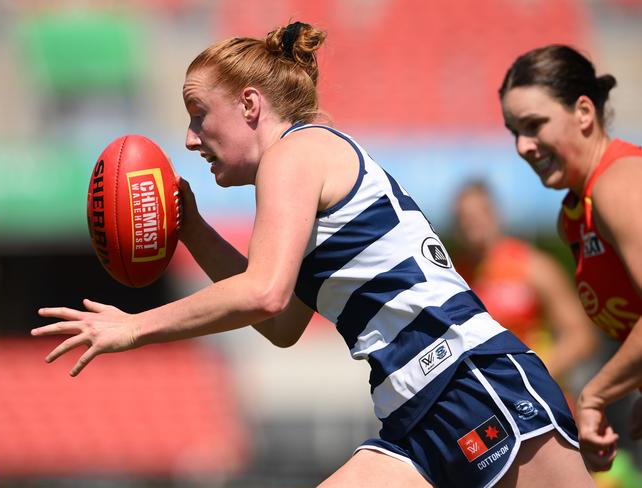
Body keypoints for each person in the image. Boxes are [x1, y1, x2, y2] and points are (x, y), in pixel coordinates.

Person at [32, 23, 594, 487]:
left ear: (250, 105)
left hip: (471, 382)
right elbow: (283, 323)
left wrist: (134, 328)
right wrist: (194, 229)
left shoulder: (294, 155)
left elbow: (263, 292)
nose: (189, 138)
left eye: (199, 113)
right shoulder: (293, 172)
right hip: (415, 411)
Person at [500, 44, 642, 473]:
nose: (524, 146)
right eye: (513, 131)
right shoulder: (575, 217)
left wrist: (595, 394)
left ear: (584, 112)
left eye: (534, 125)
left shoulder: (620, 183)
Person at [451, 180, 596, 383]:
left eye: (479, 214)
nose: (471, 223)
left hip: (537, 396)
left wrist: (535, 374)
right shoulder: (452, 277)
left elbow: (581, 336)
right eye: (463, 218)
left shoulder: (534, 267)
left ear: (496, 214)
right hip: (484, 401)